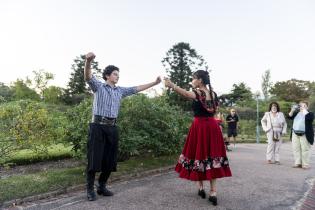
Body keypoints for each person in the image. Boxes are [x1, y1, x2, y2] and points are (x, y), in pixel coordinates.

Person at [84, 52, 161, 201]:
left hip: (112, 128)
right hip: (97, 127)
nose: (117, 76)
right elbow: (88, 76)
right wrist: (88, 61)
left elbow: (136, 88)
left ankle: (101, 186)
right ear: (107, 76)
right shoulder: (98, 87)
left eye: (118, 74)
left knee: (110, 160)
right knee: (94, 159)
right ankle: (89, 190)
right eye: (114, 74)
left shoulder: (120, 91)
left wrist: (154, 83)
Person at [164, 70, 232, 206]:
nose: (192, 80)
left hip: (199, 127)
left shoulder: (198, 93)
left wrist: (172, 85)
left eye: (193, 78)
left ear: (200, 80)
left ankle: (201, 187)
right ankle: (213, 192)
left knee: (198, 155)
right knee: (212, 157)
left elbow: (186, 93)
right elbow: (214, 111)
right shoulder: (213, 94)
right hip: (212, 127)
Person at [288, 101, 314, 169]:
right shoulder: (296, 113)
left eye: (304, 105)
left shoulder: (310, 113)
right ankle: (298, 163)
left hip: (304, 134)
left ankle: (305, 164)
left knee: (305, 149)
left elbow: (309, 118)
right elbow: (289, 116)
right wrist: (292, 110)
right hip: (295, 133)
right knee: (296, 149)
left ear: (307, 107)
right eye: (301, 105)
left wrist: (304, 110)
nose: (302, 107)